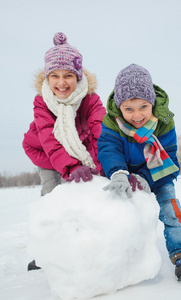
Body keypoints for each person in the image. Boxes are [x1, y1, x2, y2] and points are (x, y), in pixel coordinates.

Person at [97, 64, 181, 281]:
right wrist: (118, 173)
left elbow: (169, 156)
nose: (137, 115)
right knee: (116, 211)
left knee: (170, 207)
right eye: (129, 109)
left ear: (152, 102)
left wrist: (145, 177)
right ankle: (118, 259)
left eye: (143, 107)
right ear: (119, 108)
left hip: (158, 173)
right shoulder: (112, 123)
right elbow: (109, 148)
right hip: (123, 174)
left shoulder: (163, 122)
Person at [23, 32, 106, 270]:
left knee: (83, 191)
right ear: (47, 78)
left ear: (78, 77)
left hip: (78, 149)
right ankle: (43, 252)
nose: (62, 82)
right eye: (55, 76)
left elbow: (101, 133)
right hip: (45, 153)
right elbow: (49, 138)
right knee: (52, 196)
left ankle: (81, 244)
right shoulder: (42, 102)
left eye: (68, 75)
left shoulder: (90, 100)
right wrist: (70, 167)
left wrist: (102, 165)